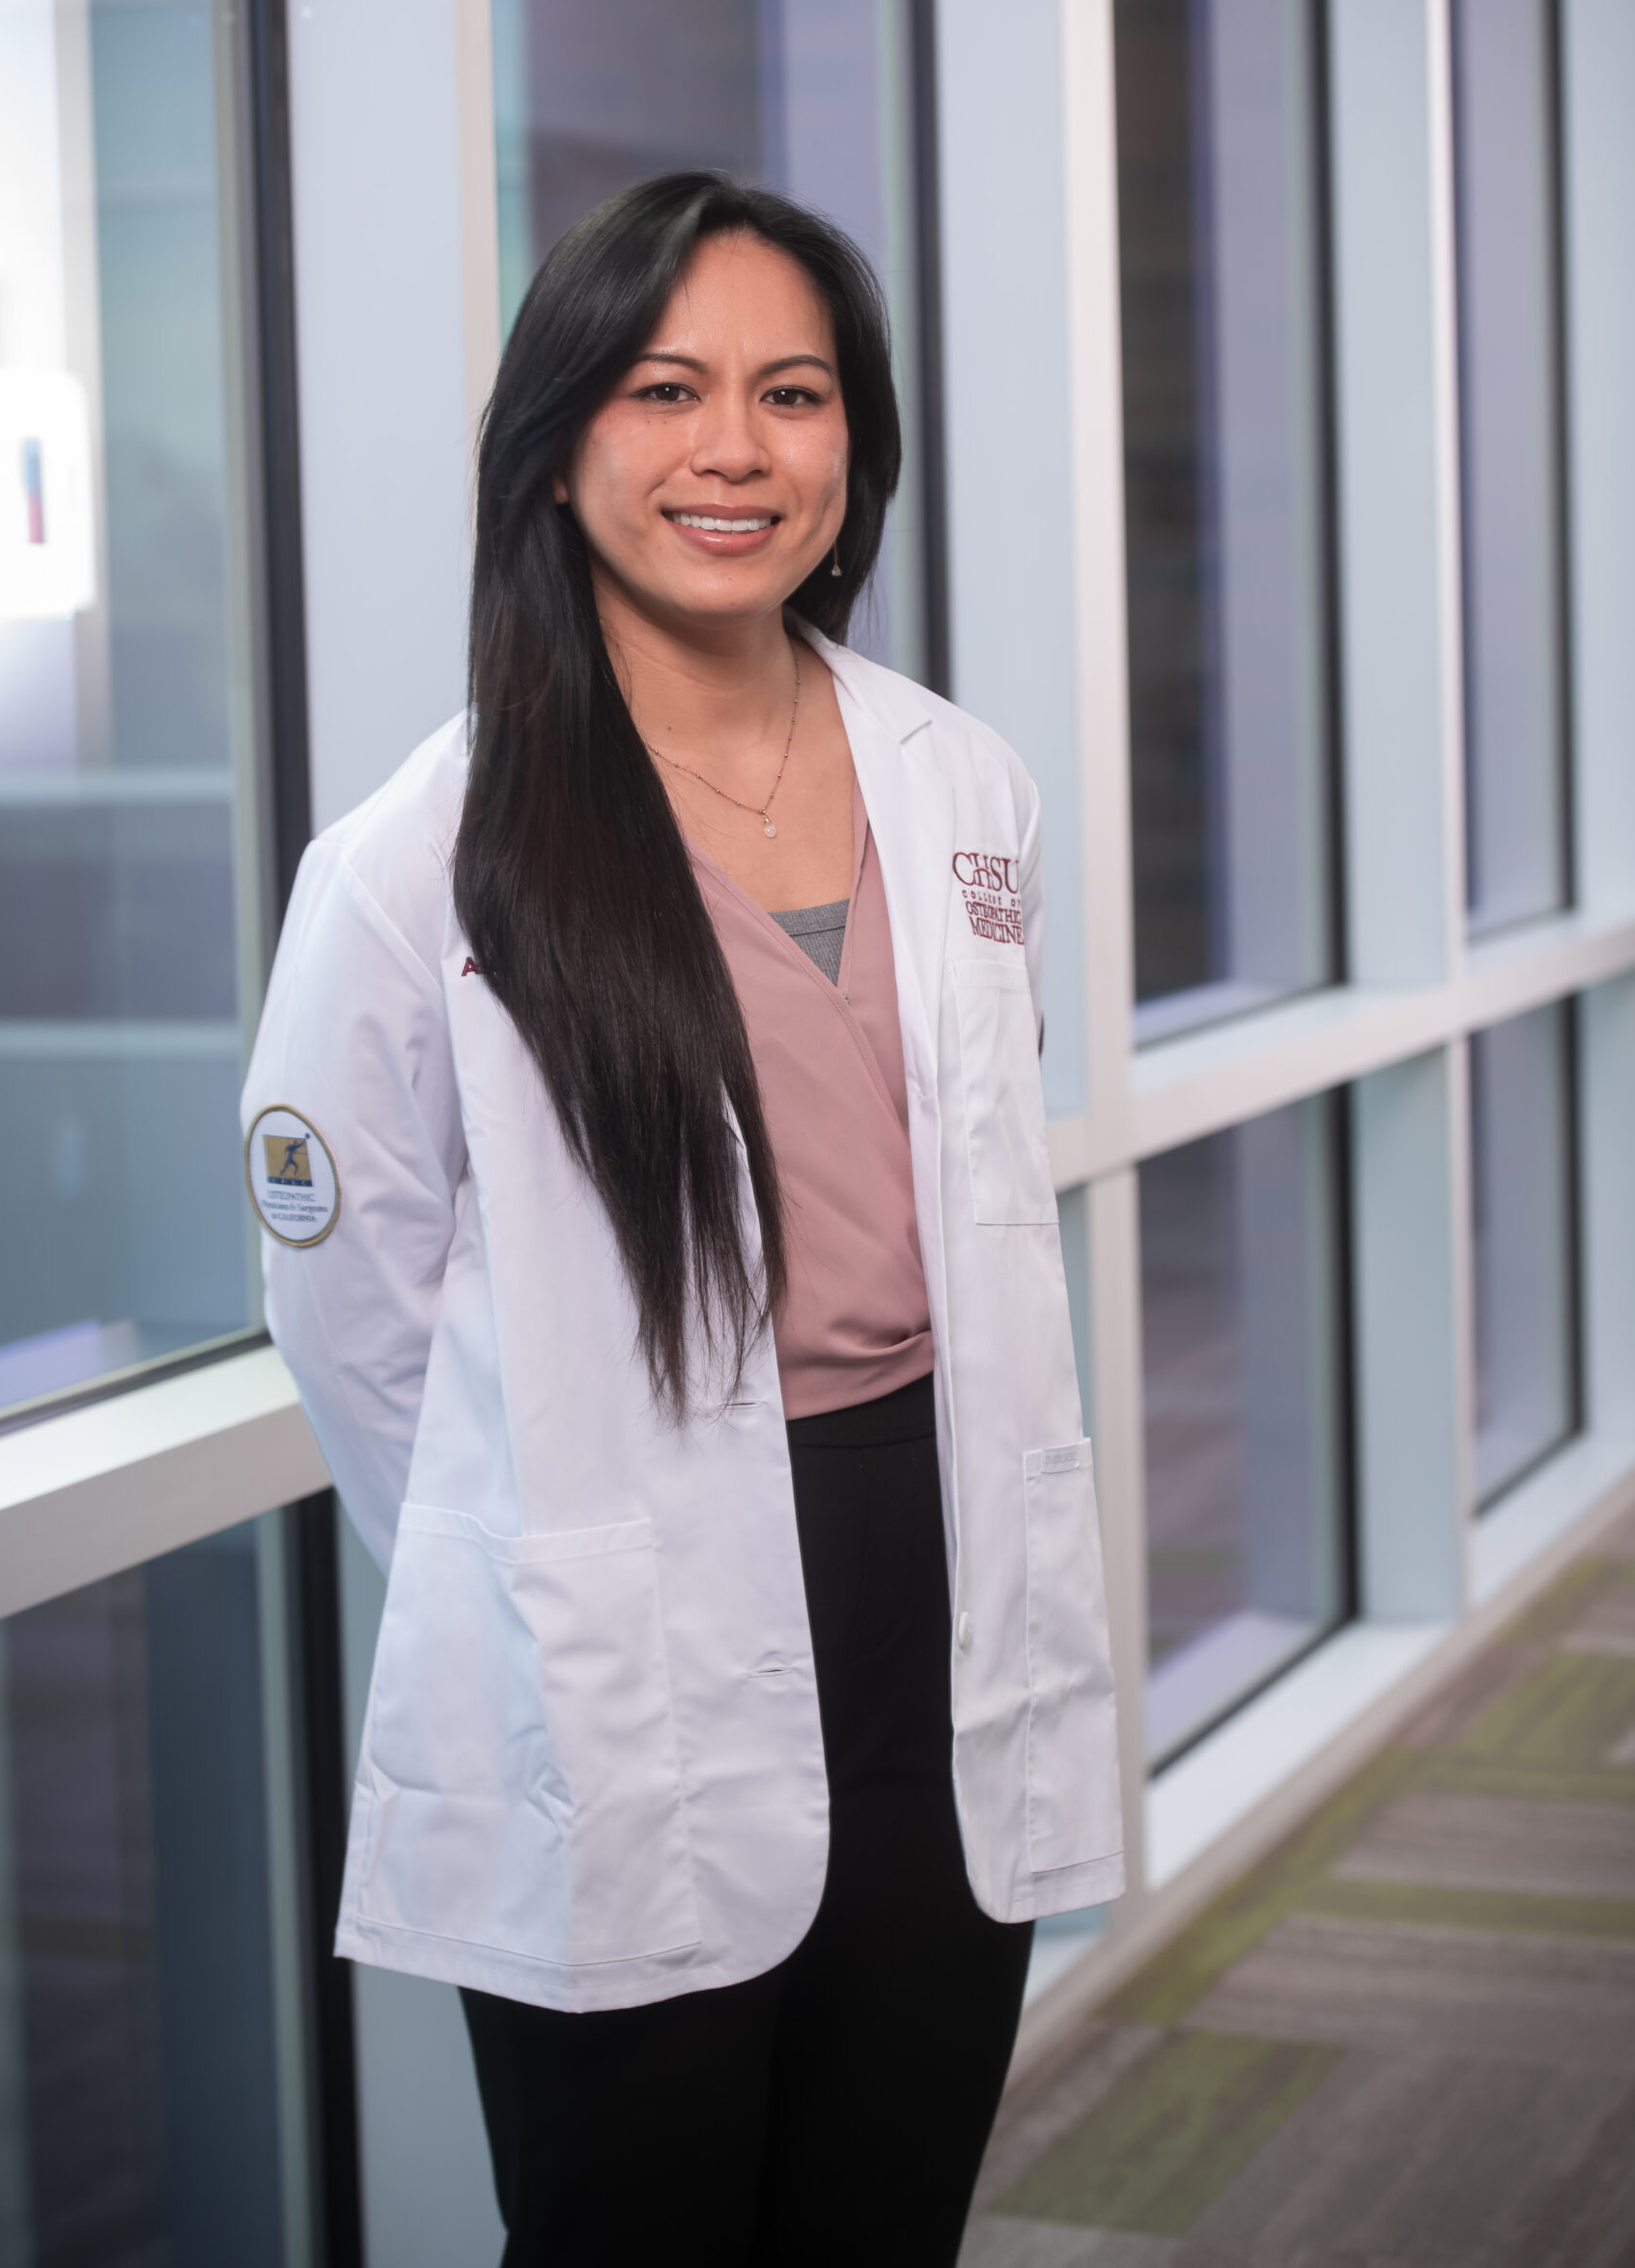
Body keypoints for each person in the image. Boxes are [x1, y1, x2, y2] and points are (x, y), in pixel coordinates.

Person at [240, 171, 1122, 2265]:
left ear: (853, 448)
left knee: (885, 2201)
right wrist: (549, 1553)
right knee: (625, 2221)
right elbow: (349, 1302)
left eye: (792, 394)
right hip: (614, 1634)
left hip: (938, 1581)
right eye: (665, 389)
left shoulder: (962, 784)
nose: (735, 448)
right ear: (558, 446)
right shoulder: (426, 854)